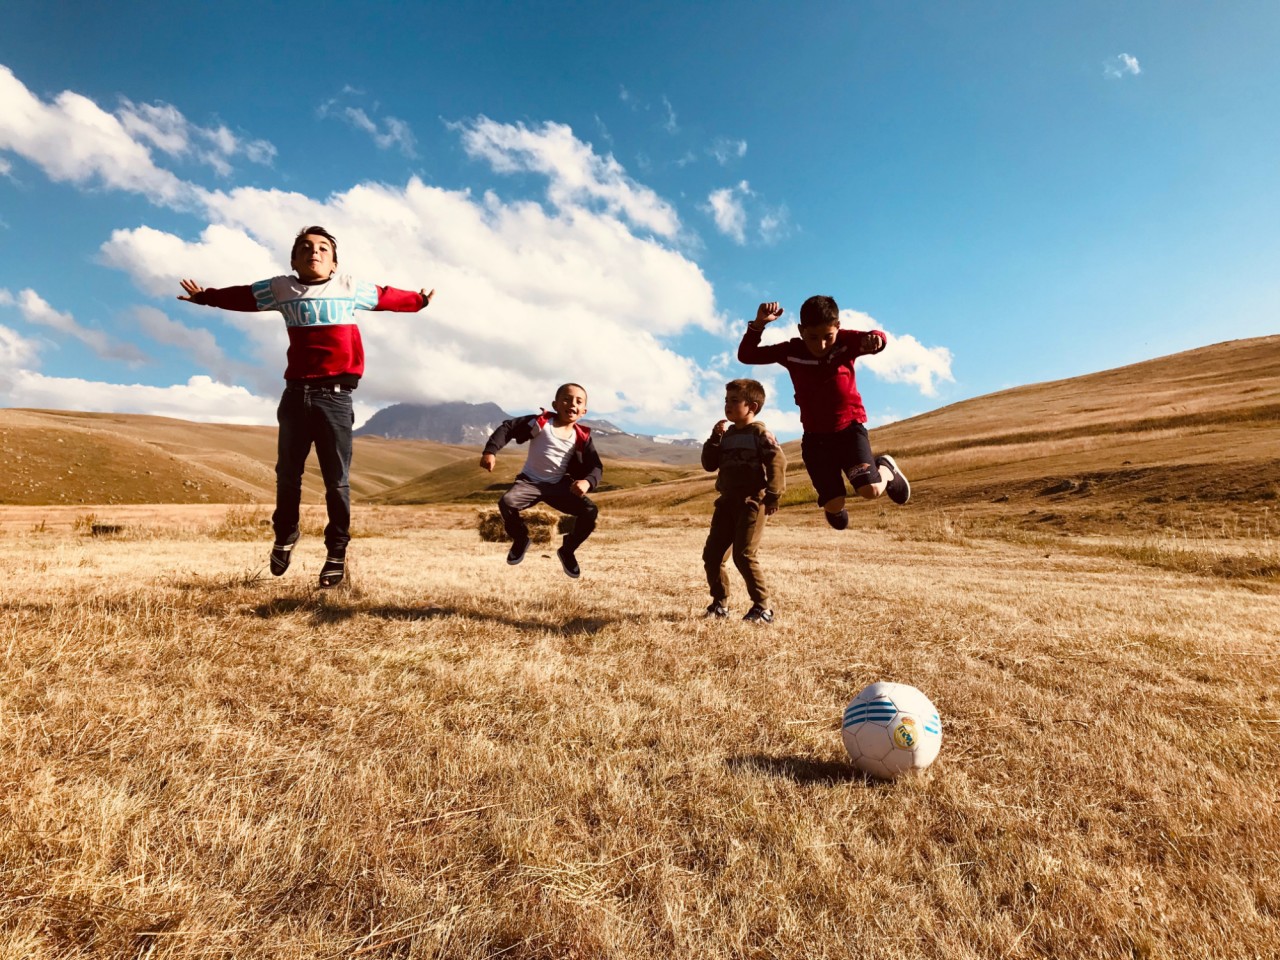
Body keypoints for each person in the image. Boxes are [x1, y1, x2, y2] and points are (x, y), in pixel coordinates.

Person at [178, 225, 434, 587]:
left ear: (334, 263)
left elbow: (388, 297)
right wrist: (206, 297)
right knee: (287, 475)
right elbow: (244, 297)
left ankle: (336, 551)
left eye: (323, 249)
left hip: (335, 398)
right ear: (294, 259)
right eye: (305, 247)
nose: (314, 252)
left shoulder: (348, 286)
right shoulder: (282, 288)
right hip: (295, 396)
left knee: (337, 482)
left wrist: (418, 301)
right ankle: (285, 535)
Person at [737, 296, 908, 530]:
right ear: (801, 330)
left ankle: (886, 469)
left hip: (849, 431)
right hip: (816, 440)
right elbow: (747, 355)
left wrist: (876, 339)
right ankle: (834, 508)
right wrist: (758, 325)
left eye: (828, 337)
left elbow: (877, 337)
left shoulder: (846, 342)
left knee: (871, 490)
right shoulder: (791, 351)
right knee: (834, 505)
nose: (821, 345)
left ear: (838, 327)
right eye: (812, 337)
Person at [480, 383, 602, 578]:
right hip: (530, 483)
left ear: (583, 411)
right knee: (507, 502)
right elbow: (508, 428)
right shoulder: (541, 422)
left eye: (578, 401)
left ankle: (568, 550)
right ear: (555, 404)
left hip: (559, 486)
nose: (572, 403)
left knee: (590, 511)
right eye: (566, 399)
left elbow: (596, 466)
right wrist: (490, 451)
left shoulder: (582, 437)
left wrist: (587, 482)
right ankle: (521, 539)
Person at [701, 378, 786, 624]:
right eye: (726, 400)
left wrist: (773, 495)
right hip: (726, 502)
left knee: (744, 555)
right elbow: (709, 465)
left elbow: (777, 462)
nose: (727, 405)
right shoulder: (726, 436)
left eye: (734, 401)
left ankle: (763, 608)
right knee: (713, 555)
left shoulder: (760, 433)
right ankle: (720, 605)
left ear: (753, 406)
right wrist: (714, 439)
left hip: (752, 502)